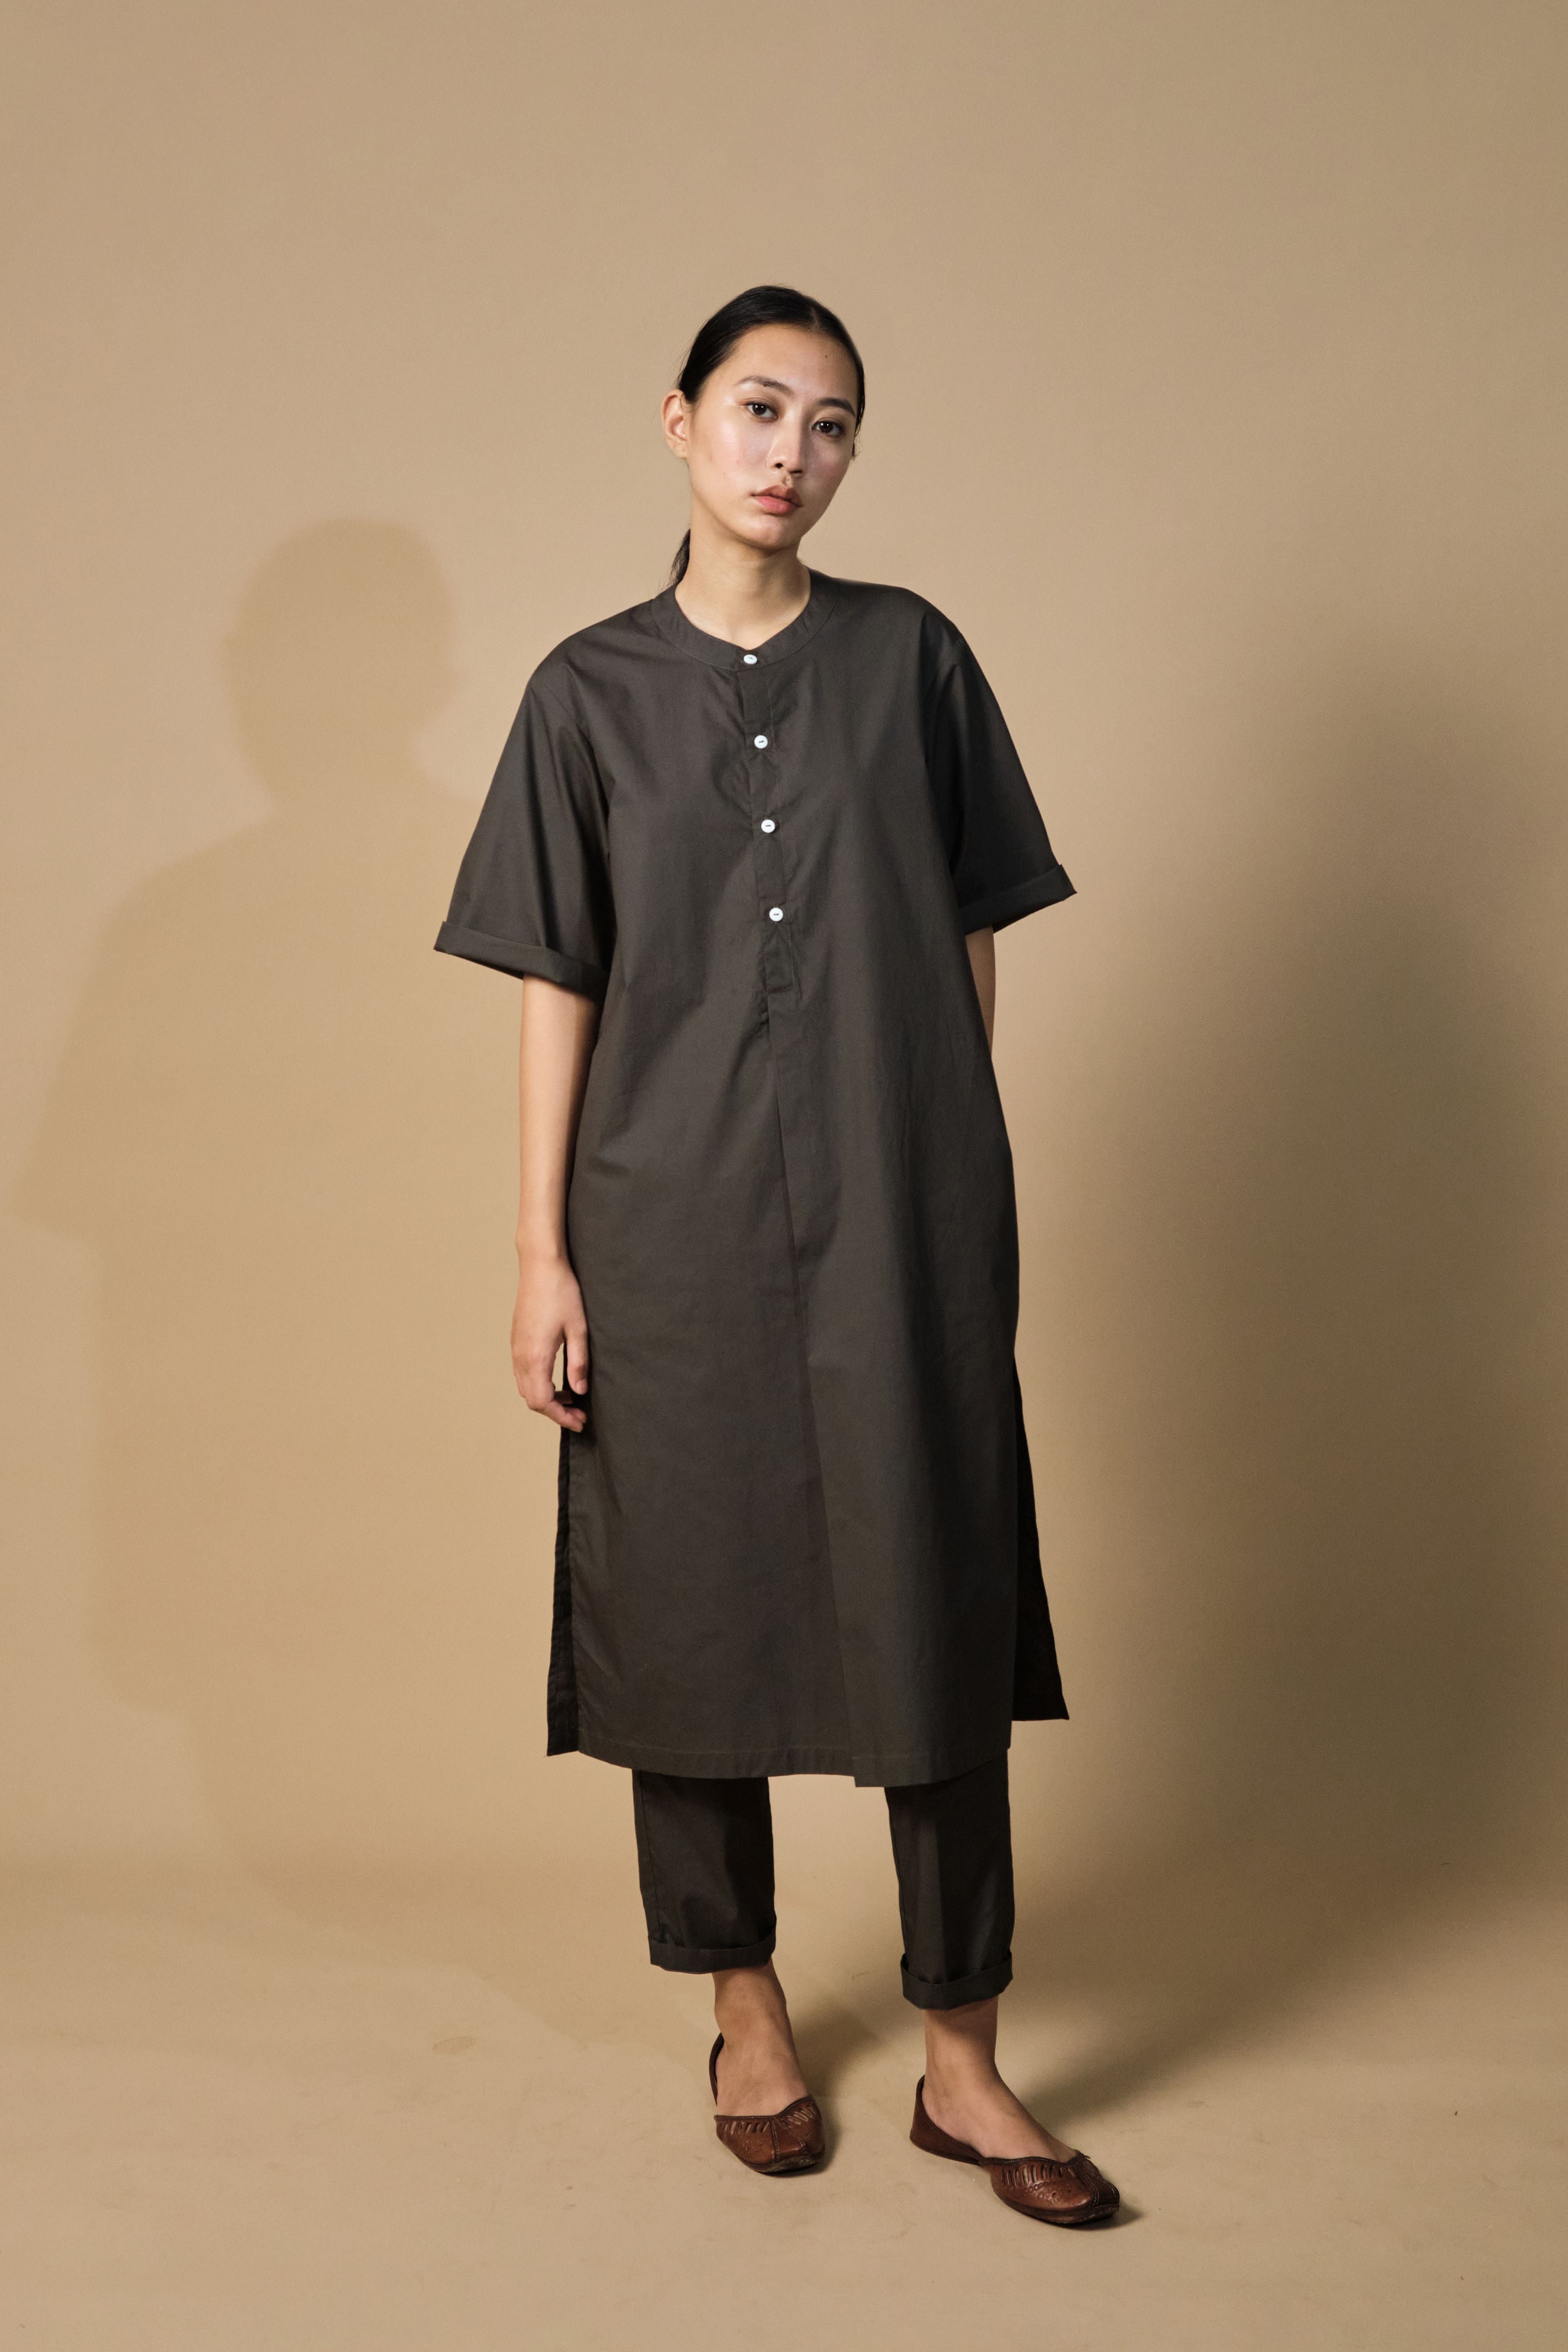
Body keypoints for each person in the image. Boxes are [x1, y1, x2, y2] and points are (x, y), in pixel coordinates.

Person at [435, 286, 1119, 2225]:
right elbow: (559, 976)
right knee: (685, 1596)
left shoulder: (913, 660)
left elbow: (971, 922)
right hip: (663, 1217)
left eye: (829, 424)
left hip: (902, 1208)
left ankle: (964, 2056)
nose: (789, 453)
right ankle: (742, 2007)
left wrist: (951, 1159)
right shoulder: (583, 692)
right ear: (677, 421)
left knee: (933, 1591)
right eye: (757, 408)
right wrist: (540, 1249)